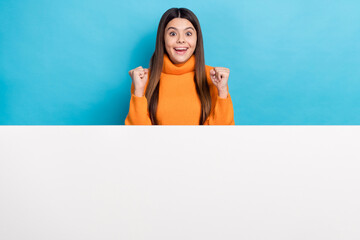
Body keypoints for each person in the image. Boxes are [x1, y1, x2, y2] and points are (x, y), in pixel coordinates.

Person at [125, 8, 235, 125]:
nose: (181, 40)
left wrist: (222, 91)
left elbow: (222, 136)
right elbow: (137, 137)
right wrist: (138, 91)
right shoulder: (143, 79)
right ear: (162, 39)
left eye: (188, 34)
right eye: (173, 33)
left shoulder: (213, 78)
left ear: (197, 39)